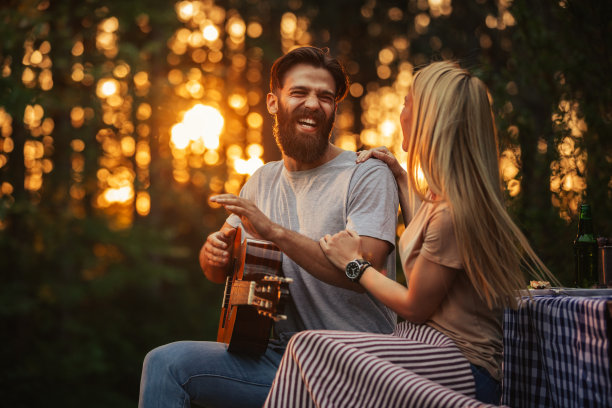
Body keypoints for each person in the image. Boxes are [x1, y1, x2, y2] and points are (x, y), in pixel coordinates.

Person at [262, 60, 560, 407]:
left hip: (461, 364)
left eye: (407, 103)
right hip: (427, 347)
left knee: (308, 346)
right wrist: (402, 178)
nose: (400, 112)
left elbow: (415, 307)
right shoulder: (442, 202)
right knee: (308, 355)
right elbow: (428, 236)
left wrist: (354, 266)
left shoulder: (451, 214)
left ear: (430, 120)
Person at [138, 46, 399, 408]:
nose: (312, 104)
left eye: (325, 97)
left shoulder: (366, 172)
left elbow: (364, 267)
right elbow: (217, 266)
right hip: (285, 360)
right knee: (166, 364)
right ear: (273, 103)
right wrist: (214, 254)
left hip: (357, 369)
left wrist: (273, 230)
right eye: (299, 92)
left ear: (334, 111)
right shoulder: (262, 180)